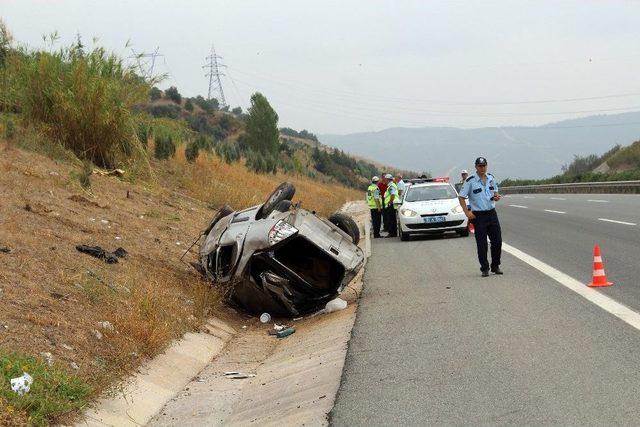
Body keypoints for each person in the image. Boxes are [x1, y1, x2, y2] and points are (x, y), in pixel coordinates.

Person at [458, 157, 503, 277]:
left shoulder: (491, 178)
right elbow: (461, 197)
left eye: (484, 166)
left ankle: (495, 265)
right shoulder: (470, 181)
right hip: (479, 215)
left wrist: (496, 196)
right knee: (482, 244)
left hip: (491, 213)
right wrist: (467, 213)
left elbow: (495, 192)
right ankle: (484, 268)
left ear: (487, 166)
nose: (482, 168)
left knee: (497, 241)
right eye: (480, 166)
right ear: (476, 167)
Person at [382, 173, 398, 237]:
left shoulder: (391, 186)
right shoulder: (390, 186)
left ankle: (392, 233)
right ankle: (392, 232)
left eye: (385, 179)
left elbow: (393, 195)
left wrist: (390, 202)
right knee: (392, 219)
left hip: (391, 205)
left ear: (388, 180)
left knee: (391, 220)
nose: (384, 181)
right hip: (391, 205)